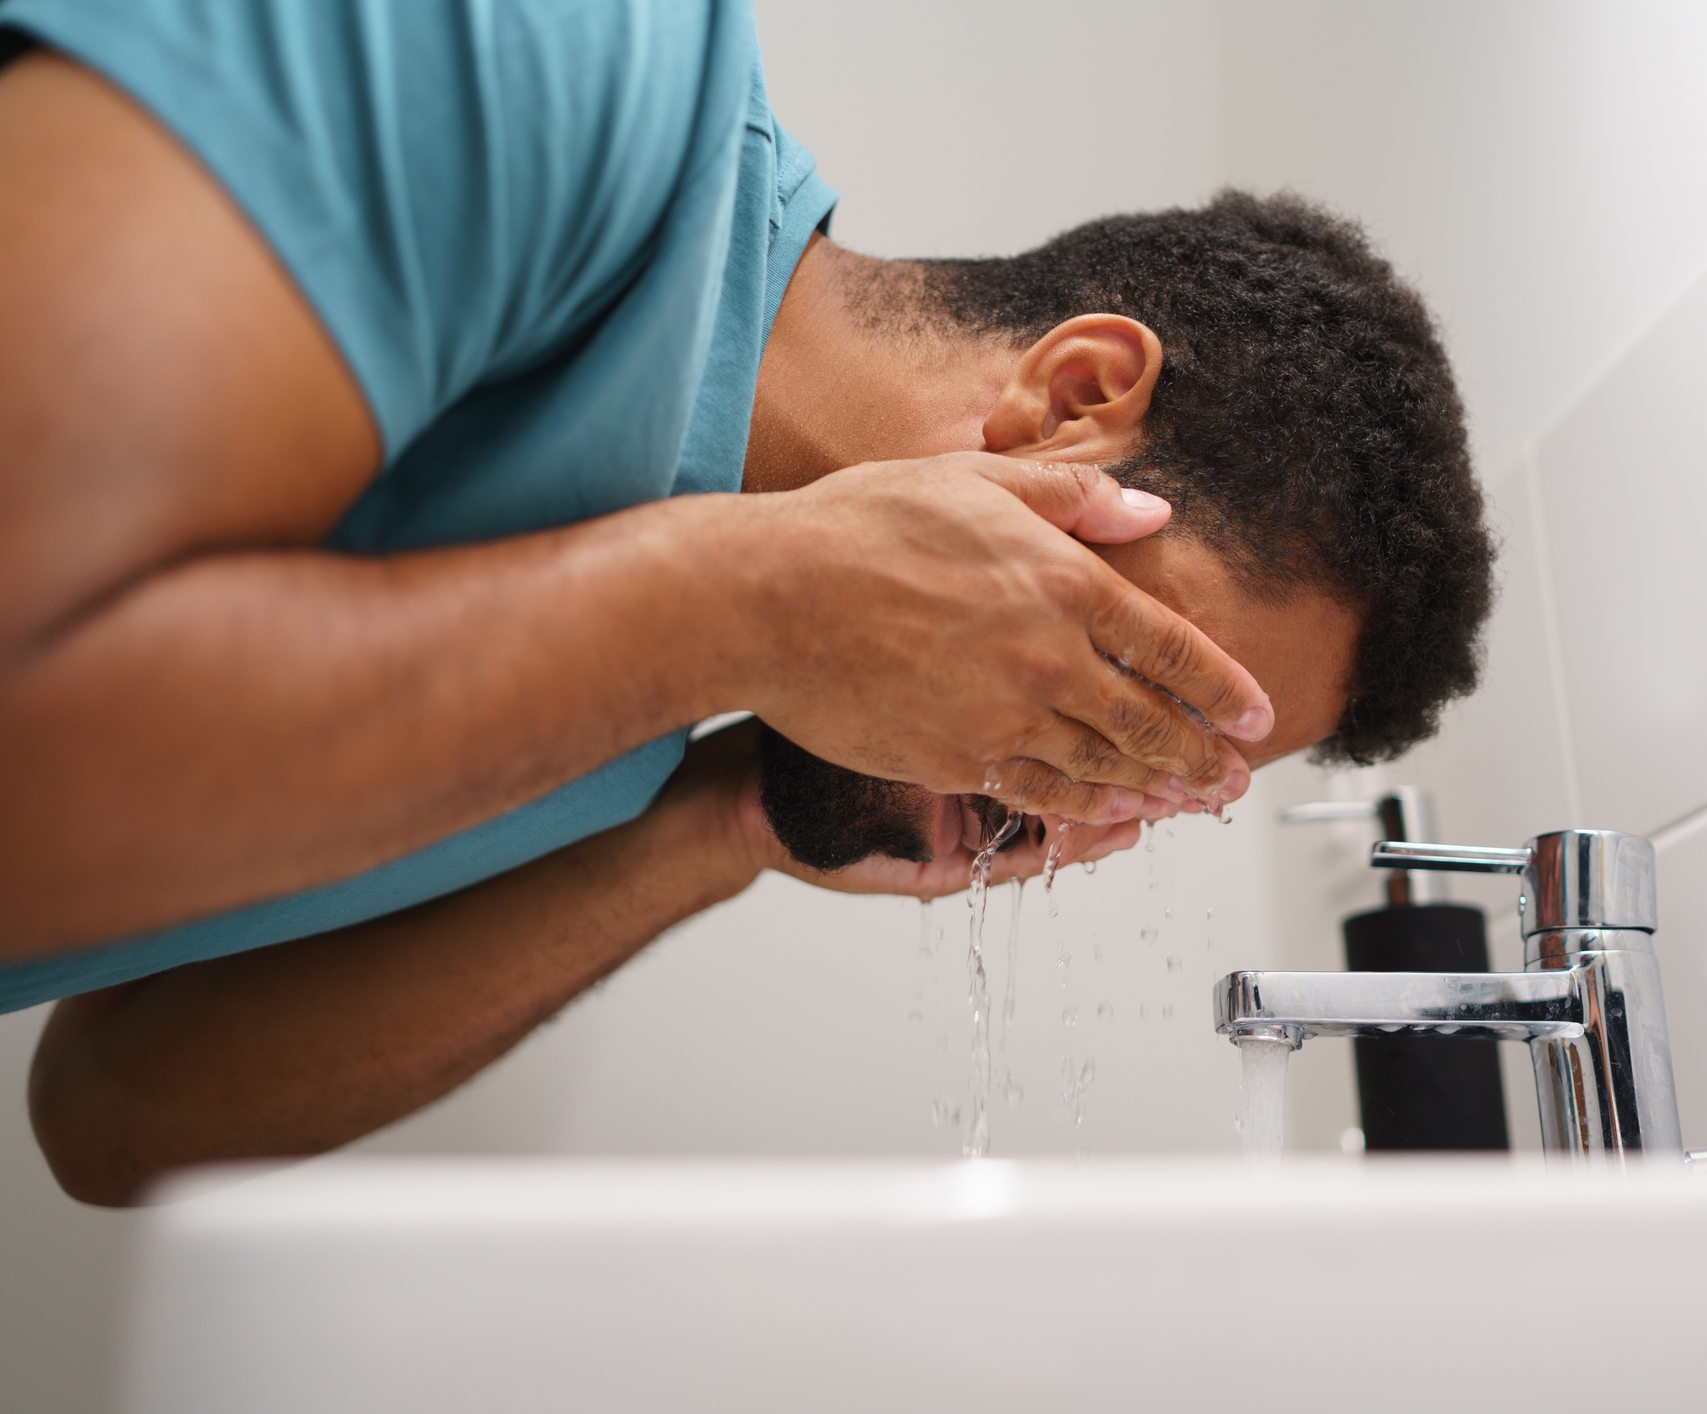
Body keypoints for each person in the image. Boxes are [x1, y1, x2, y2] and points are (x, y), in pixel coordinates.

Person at [0, 1, 1494, 1203]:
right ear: (1074, 400)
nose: (1080, 795)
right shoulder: (570, 57)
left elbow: (118, 1116)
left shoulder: (642, 694)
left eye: (1161, 787)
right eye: (1145, 688)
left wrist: (719, 823)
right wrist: (743, 603)